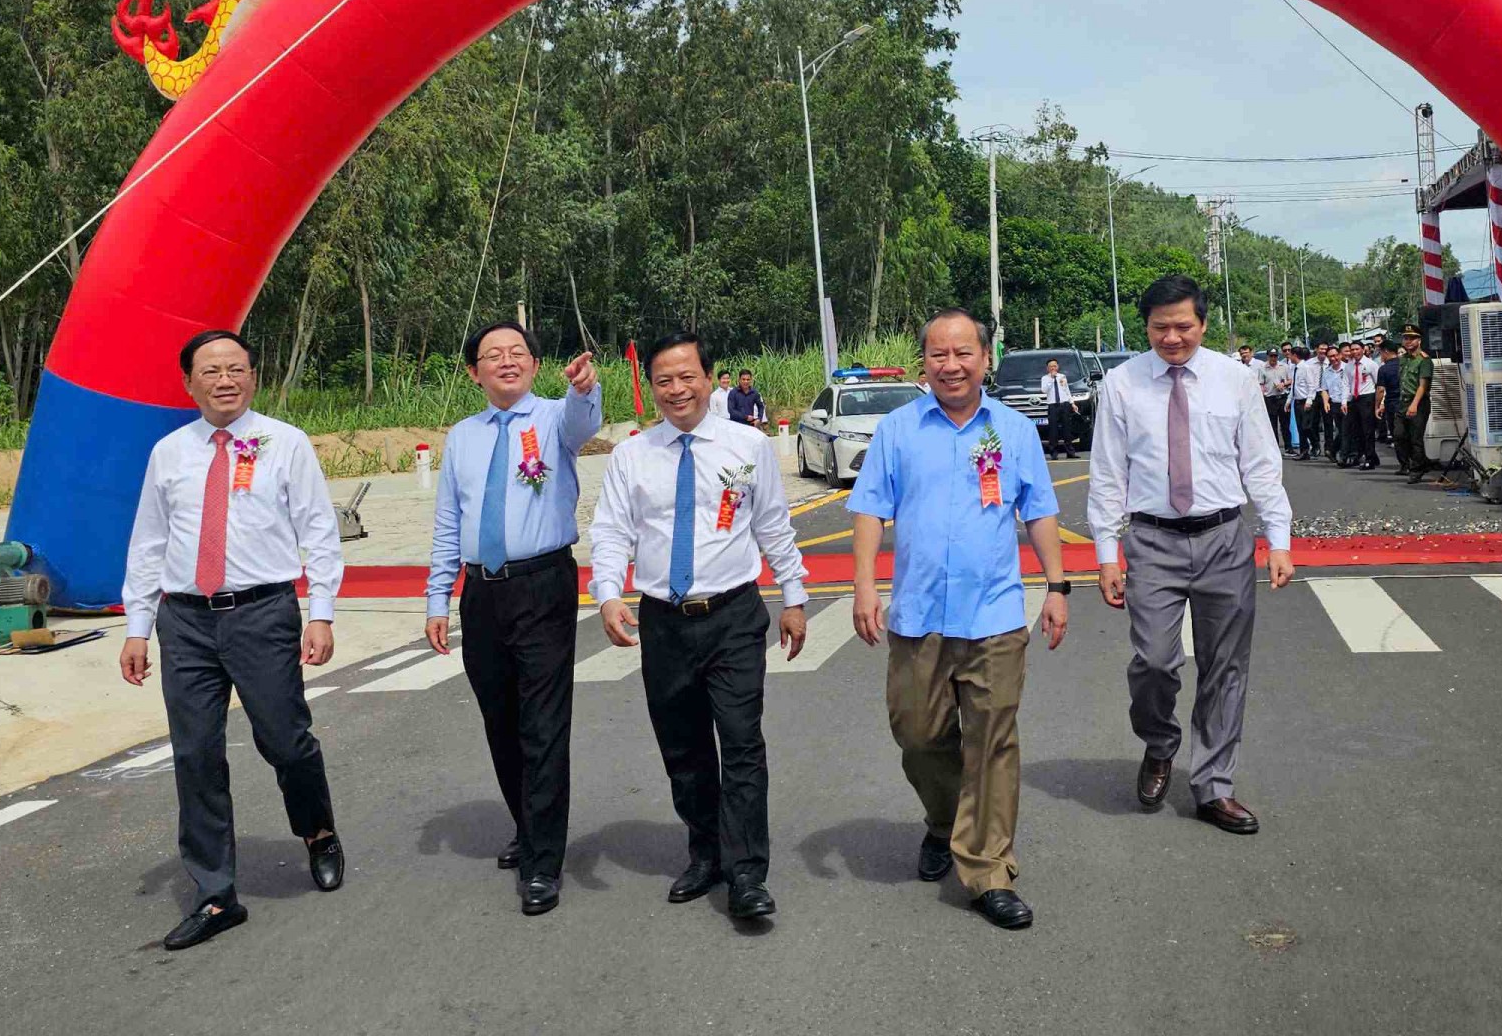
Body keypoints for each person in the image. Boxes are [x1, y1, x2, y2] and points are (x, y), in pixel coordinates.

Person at [119, 329, 344, 952]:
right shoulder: (168, 452)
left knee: (285, 740)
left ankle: (317, 830)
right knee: (195, 754)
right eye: (211, 370)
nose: (225, 380)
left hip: (262, 613)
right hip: (185, 621)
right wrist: (138, 627)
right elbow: (148, 543)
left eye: (236, 369)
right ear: (188, 381)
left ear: (252, 376)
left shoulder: (284, 443)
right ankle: (216, 891)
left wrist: (320, 612)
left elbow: (319, 531)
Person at [849, 308, 1067, 932]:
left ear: (985, 358)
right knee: (918, 736)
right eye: (939, 355)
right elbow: (869, 509)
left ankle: (988, 869)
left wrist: (1056, 586)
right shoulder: (897, 430)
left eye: (963, 353)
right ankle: (944, 822)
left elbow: (1040, 510)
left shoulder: (1015, 431)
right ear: (924, 362)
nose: (952, 365)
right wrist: (865, 585)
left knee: (993, 742)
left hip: (994, 614)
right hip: (917, 615)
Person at [590, 333, 808, 922]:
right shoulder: (632, 455)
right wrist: (607, 593)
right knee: (682, 749)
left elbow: (773, 524)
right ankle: (705, 851)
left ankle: (746, 874)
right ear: (653, 388)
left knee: (741, 744)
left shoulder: (747, 446)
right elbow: (611, 531)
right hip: (664, 621)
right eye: (665, 380)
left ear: (709, 379)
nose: (677, 389)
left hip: (734, 615)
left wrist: (794, 596)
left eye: (688, 376)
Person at [1088, 274, 1293, 838]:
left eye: (1183, 326)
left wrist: (1279, 539)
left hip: (1225, 537)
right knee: (1153, 661)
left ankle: (1213, 786)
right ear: (1145, 327)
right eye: (1160, 327)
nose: (1172, 338)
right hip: (1152, 540)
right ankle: (1159, 745)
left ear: (1203, 324)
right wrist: (1107, 553)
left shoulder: (1236, 380)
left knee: (1225, 667)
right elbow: (1108, 475)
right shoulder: (1122, 385)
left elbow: (1260, 465)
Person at [423, 320, 601, 917]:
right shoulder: (463, 437)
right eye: (492, 355)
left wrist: (581, 389)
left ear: (533, 363)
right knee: (500, 719)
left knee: (543, 726)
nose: (506, 361)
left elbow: (584, 425)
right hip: (482, 594)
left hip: (543, 586)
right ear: (473, 371)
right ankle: (529, 825)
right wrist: (436, 599)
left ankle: (543, 862)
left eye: (517, 352)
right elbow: (450, 521)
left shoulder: (554, 418)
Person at [1396, 324, 1435, 482]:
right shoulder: (1403, 359)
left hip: (1418, 402)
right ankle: (1422, 462)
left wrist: (1414, 405)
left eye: (1412, 338)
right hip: (1402, 402)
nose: (1408, 341)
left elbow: (1422, 385)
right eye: (1406, 338)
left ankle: (1417, 469)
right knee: (1399, 435)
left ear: (1419, 340)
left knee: (1415, 438)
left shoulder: (1424, 360)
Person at [1346, 340, 1381, 470]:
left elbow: (1378, 383)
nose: (1355, 352)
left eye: (1357, 349)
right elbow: (1346, 383)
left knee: (1368, 430)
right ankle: (1366, 455)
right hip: (1354, 398)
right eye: (1352, 350)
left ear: (1362, 350)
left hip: (1367, 397)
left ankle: (1370, 459)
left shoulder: (1370, 364)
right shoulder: (1349, 366)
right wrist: (1345, 401)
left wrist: (1379, 402)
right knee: (1357, 430)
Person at [1040, 357, 1077, 461]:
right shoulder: (1045, 378)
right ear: (1047, 368)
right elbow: (1044, 390)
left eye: (1055, 366)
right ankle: (1054, 453)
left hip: (1064, 404)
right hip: (1053, 405)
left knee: (1067, 429)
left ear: (1058, 367)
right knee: (1053, 430)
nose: (1053, 368)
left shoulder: (1062, 376)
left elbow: (1067, 390)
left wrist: (1072, 403)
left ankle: (1070, 452)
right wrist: (1051, 379)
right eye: (1051, 366)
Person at [1374, 337, 1403, 465]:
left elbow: (1380, 390)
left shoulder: (1384, 369)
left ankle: (1404, 464)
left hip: (1392, 404)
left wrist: (1377, 406)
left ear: (1385, 352)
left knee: (1397, 436)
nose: (1380, 356)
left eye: (1380, 353)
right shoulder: (1404, 364)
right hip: (1407, 403)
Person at [1291, 345, 1323, 460]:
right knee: (1300, 428)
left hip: (1306, 401)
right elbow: (1293, 386)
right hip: (1297, 400)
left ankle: (1315, 444)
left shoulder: (1306, 367)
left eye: (1290, 354)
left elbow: (1312, 385)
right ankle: (1304, 451)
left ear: (1295, 355)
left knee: (1306, 426)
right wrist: (1289, 401)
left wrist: (1309, 400)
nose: (1289, 357)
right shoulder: (1294, 368)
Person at [1257, 350, 1294, 450]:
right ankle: (1275, 448)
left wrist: (1283, 384)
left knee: (1285, 424)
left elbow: (1291, 380)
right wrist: (1263, 393)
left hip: (1282, 397)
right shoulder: (1263, 368)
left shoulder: (1284, 367)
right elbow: (1261, 383)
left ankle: (1288, 447)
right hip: (1270, 399)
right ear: (1268, 357)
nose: (1273, 358)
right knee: (1272, 425)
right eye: (1271, 356)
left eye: (1275, 356)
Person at [1320, 347, 1346, 463]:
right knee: (1342, 430)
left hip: (1347, 403)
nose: (1334, 358)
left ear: (1340, 355)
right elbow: (1324, 389)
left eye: (1335, 355)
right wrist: (1326, 402)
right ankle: (1336, 451)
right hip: (1335, 404)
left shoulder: (1347, 368)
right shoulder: (1327, 372)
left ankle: (1338, 451)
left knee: (1347, 430)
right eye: (1330, 356)